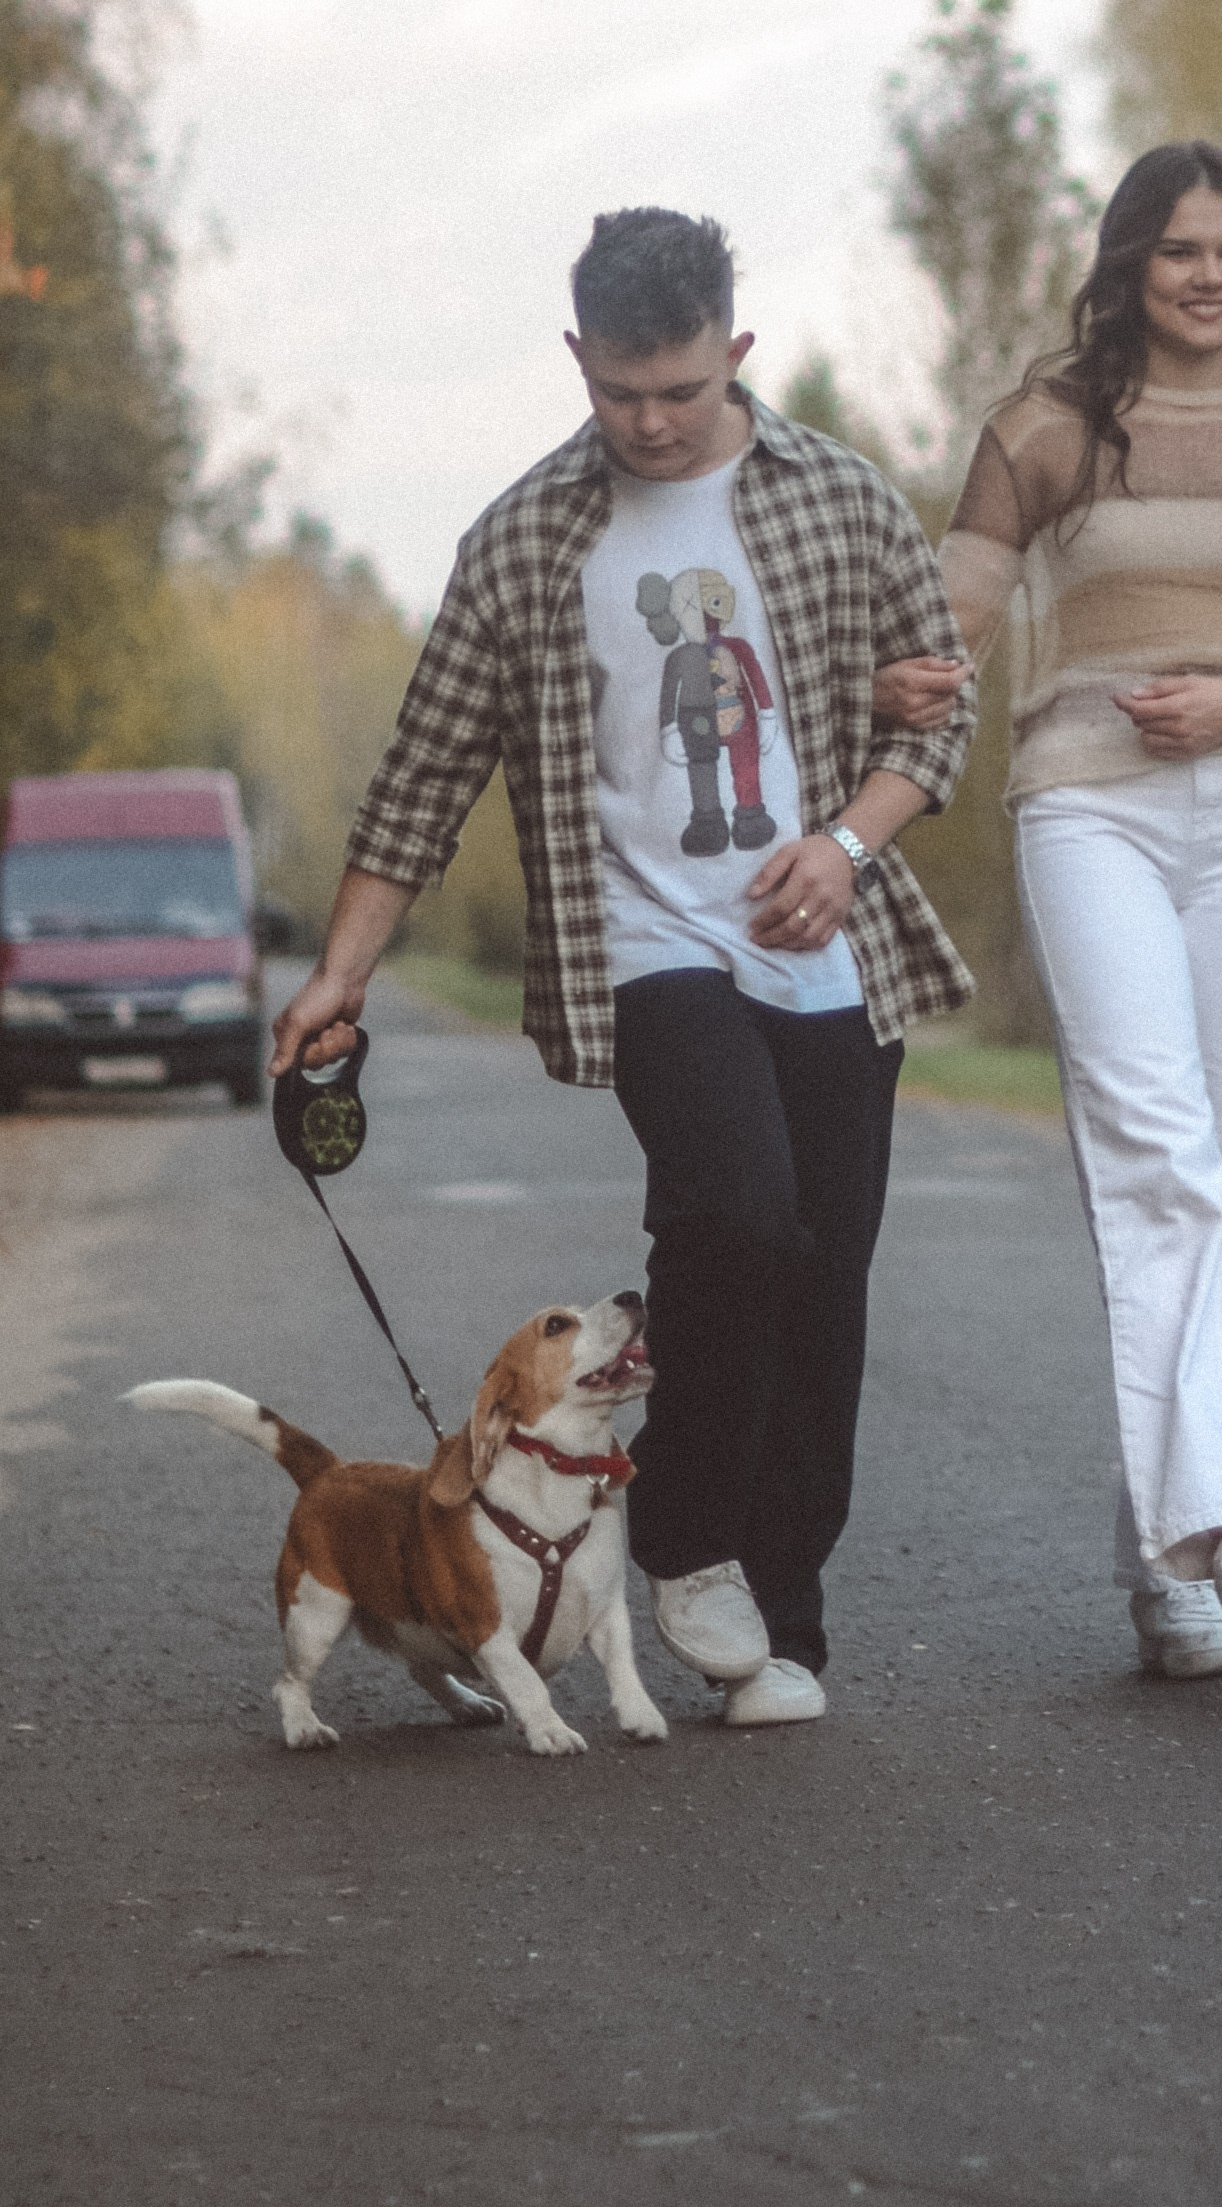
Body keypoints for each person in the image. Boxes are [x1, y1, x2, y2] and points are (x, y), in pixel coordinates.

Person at [272, 209, 975, 1726]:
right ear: (577, 357)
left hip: (834, 945)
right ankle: (686, 1536)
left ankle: (784, 1620)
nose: (650, 423)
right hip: (643, 947)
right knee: (736, 1213)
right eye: (619, 393)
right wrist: (341, 975)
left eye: (680, 390)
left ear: (736, 350)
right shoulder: (527, 539)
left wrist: (845, 841)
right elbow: (422, 775)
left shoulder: (842, 498)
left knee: (826, 1279)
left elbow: (939, 721)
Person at [894, 140, 1222, 1680]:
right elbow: (951, 619)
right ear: (1129, 264)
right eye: (1180, 249)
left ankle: (1175, 1566)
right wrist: (901, 672)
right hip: (1088, 806)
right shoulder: (1048, 429)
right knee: (1162, 1160)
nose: (1209, 275)